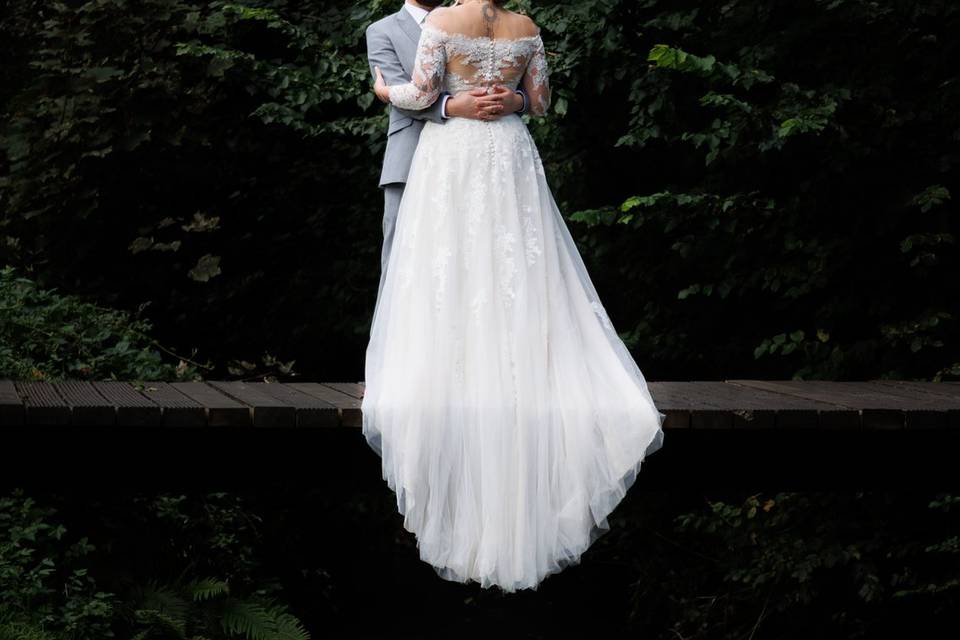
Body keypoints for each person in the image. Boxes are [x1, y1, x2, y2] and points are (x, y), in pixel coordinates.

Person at [362, 0, 666, 593]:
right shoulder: (527, 28)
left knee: (452, 267)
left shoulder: (443, 25)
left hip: (454, 156)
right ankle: (519, 369)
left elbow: (421, 93)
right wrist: (515, 100)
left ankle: (454, 372)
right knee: (516, 266)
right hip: (508, 149)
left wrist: (382, 91)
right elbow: (544, 101)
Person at [365, 0, 530, 301]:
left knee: (479, 253)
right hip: (412, 155)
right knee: (403, 258)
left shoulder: (477, 18)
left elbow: (507, 73)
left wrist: (517, 100)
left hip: (479, 157)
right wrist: (452, 107)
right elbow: (401, 92)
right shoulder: (382, 30)